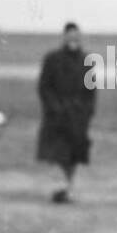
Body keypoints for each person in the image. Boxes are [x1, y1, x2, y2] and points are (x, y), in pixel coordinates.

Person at [36, 22, 96, 203]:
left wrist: (86, 112)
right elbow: (44, 87)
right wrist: (55, 107)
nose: (73, 39)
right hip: (57, 116)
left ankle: (68, 188)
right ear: (64, 36)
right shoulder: (53, 59)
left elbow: (91, 90)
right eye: (70, 36)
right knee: (57, 154)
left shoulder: (86, 60)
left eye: (76, 36)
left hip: (78, 117)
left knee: (74, 155)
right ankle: (60, 188)